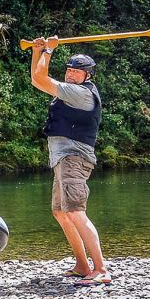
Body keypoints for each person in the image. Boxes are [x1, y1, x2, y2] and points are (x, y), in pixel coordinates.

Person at [30, 39, 110, 286]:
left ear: (87, 74)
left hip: (74, 158)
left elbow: (42, 78)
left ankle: (101, 269)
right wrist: (37, 52)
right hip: (63, 159)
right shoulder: (69, 88)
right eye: (69, 70)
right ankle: (82, 264)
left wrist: (48, 50)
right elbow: (36, 79)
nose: (71, 74)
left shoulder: (82, 93)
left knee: (75, 211)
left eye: (76, 70)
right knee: (60, 212)